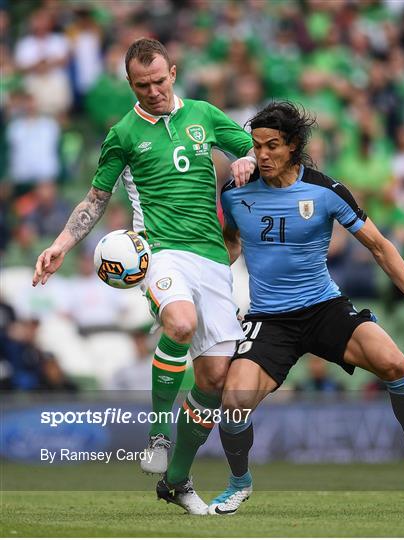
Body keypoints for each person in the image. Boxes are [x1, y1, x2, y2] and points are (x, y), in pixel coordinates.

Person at [32, 38, 256, 515]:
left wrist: (247, 159)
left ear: (173, 72)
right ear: (129, 83)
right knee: (179, 323)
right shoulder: (124, 133)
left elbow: (257, 151)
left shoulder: (204, 114)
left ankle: (176, 480)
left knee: (214, 379)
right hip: (159, 253)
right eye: (141, 84)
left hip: (214, 259)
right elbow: (95, 199)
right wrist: (60, 245)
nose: (153, 91)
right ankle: (157, 432)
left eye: (159, 80)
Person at [209, 102, 404, 515]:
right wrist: (217, 292)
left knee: (396, 364)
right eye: (256, 147)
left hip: (324, 307)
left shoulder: (326, 191)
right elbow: (231, 244)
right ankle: (239, 483)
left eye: (272, 146)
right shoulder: (236, 192)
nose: (262, 155)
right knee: (234, 404)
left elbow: (378, 245)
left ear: (293, 146)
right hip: (269, 318)